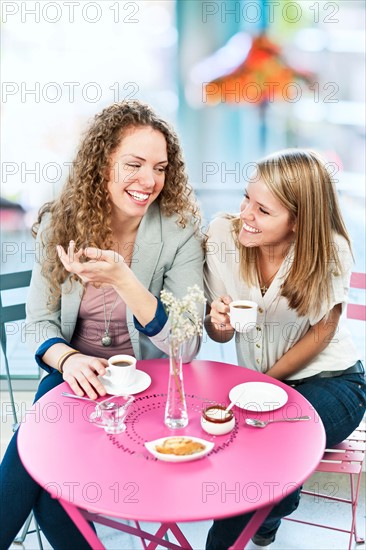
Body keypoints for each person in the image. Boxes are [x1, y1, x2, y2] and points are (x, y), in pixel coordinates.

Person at [0, 100, 204, 549]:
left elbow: (186, 343)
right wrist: (67, 358)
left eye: (160, 167)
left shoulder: (180, 229)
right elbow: (38, 321)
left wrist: (123, 280)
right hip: (73, 379)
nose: (149, 181)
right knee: (40, 469)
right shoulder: (62, 221)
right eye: (134, 164)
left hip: (148, 386)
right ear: (101, 164)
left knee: (42, 475)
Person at [203, 149, 366, 550]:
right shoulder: (224, 238)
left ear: (298, 222)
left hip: (334, 384)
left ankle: (263, 509)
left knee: (266, 457)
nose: (245, 213)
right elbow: (219, 333)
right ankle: (279, 498)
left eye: (263, 209)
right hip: (261, 389)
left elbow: (323, 331)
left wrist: (265, 384)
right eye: (246, 198)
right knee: (261, 460)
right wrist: (217, 322)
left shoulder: (329, 250)